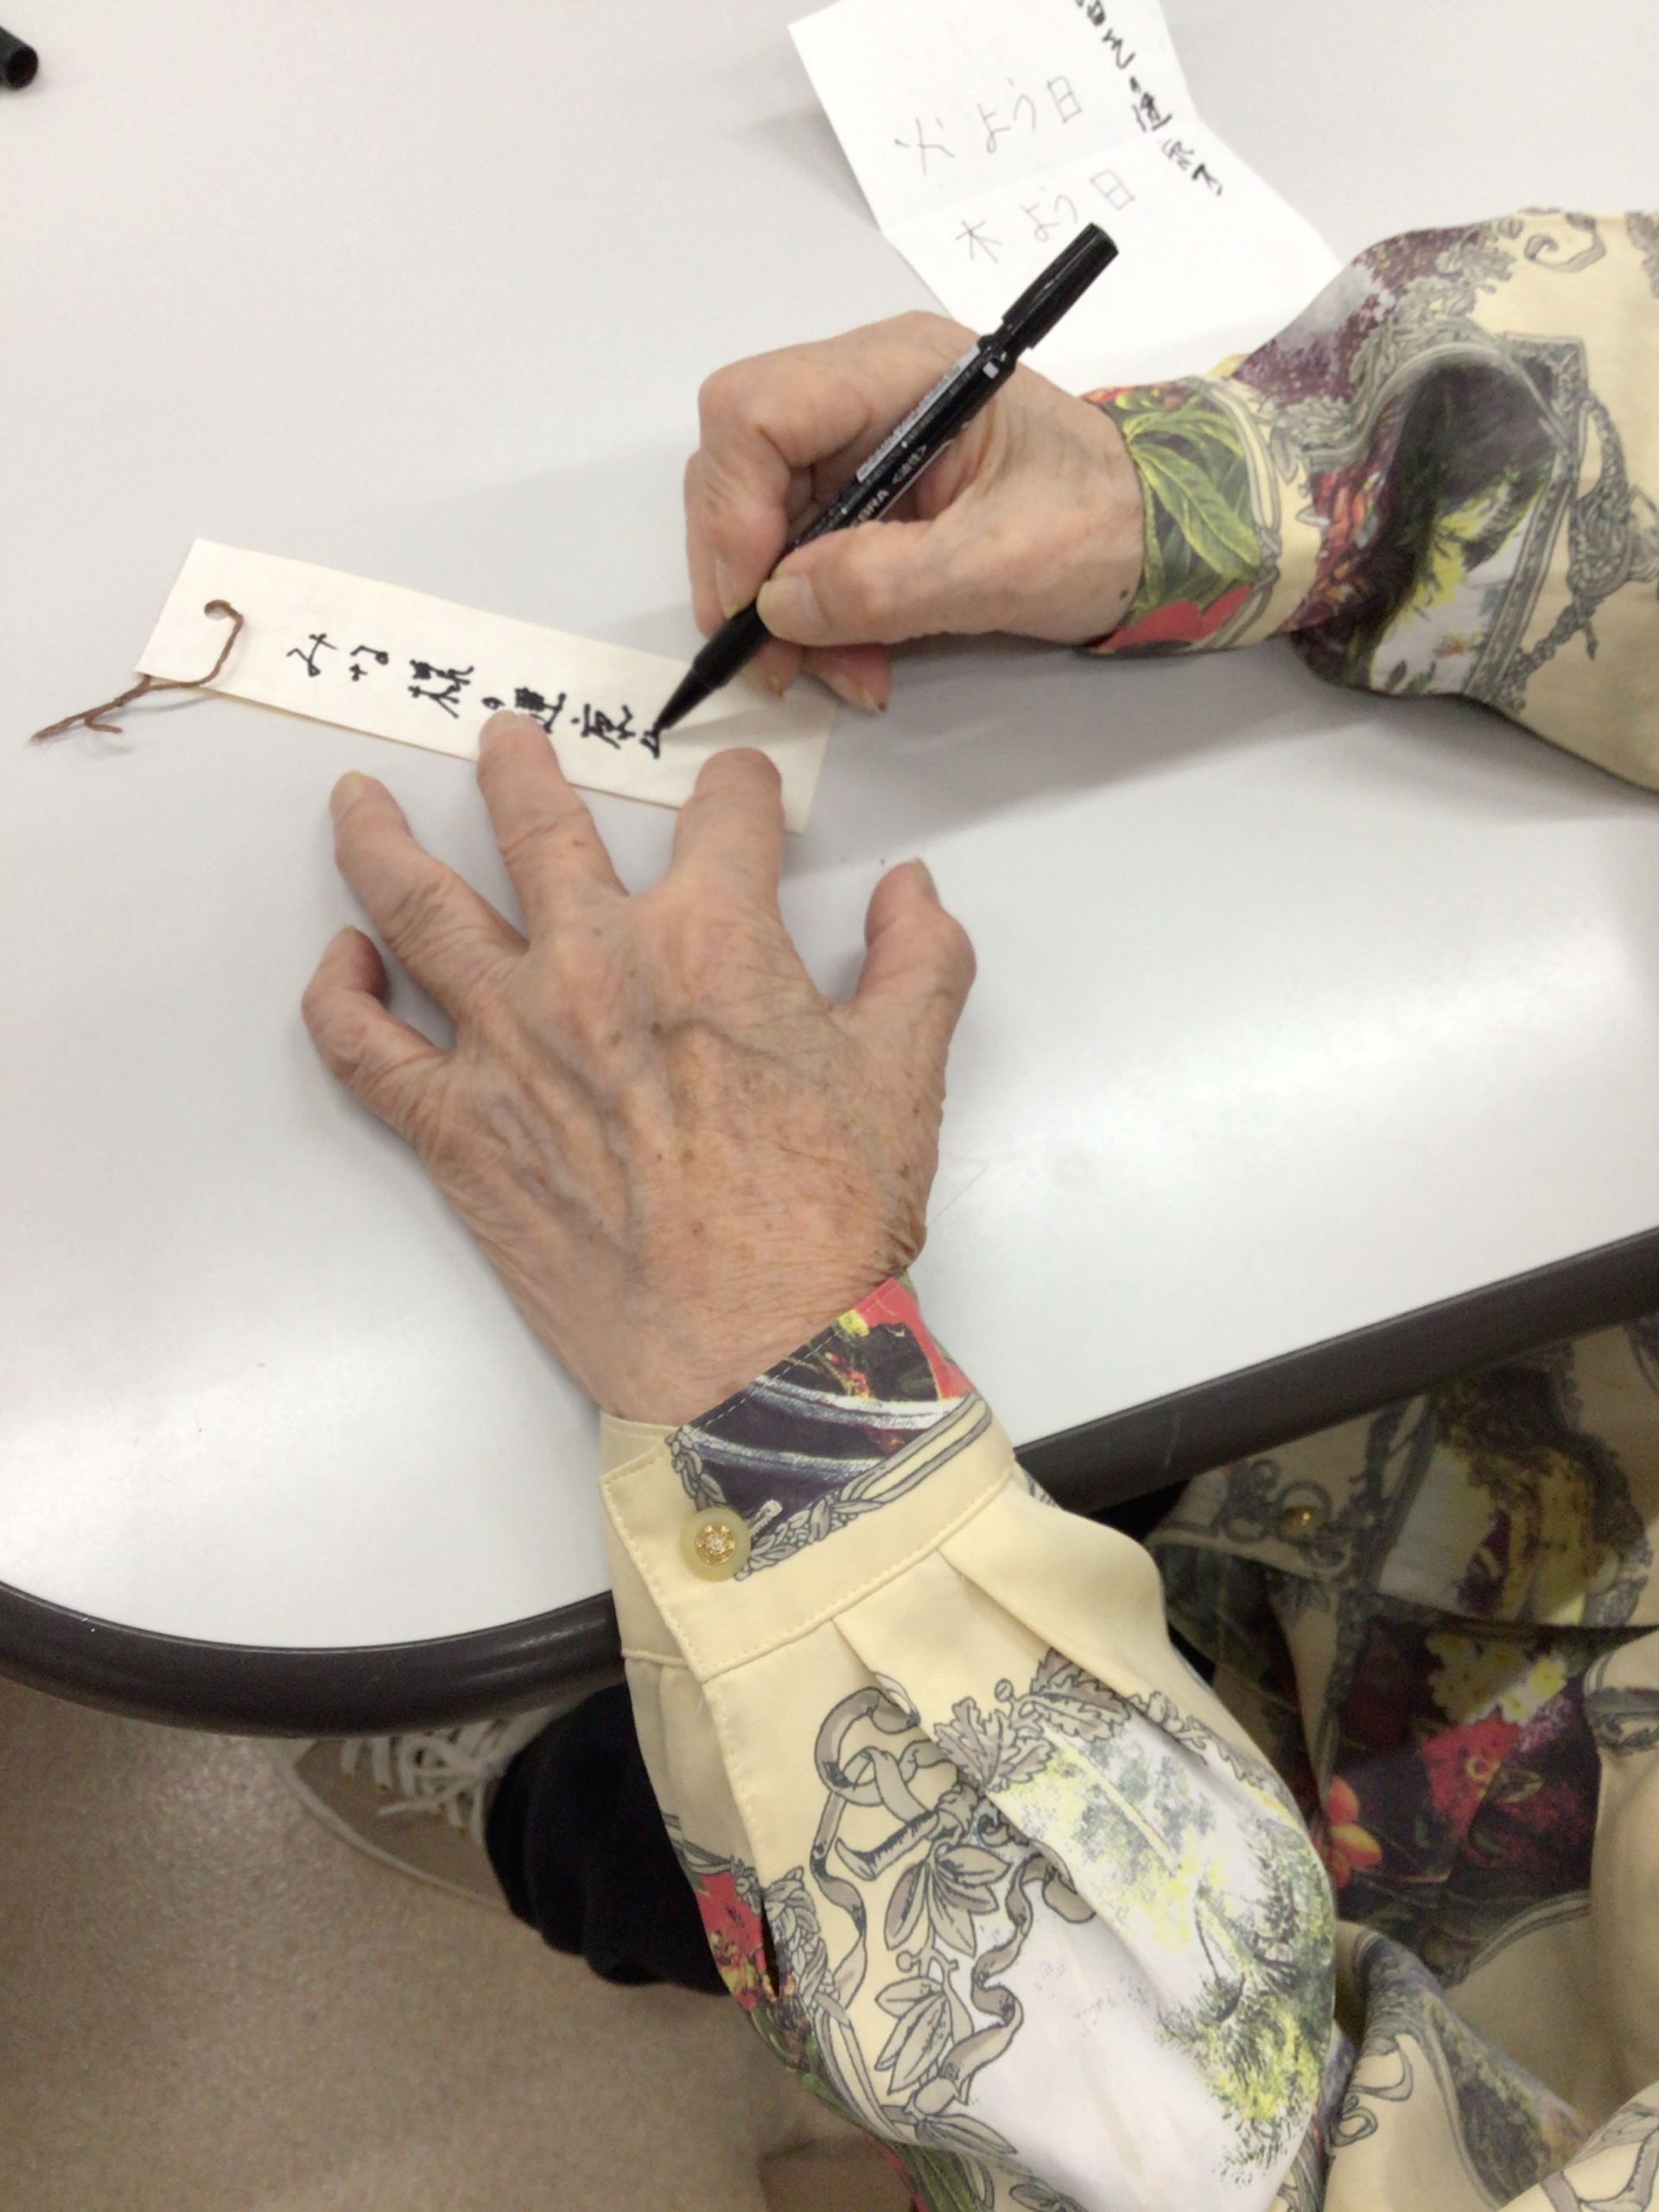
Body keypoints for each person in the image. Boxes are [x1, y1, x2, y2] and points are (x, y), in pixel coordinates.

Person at [275, 210, 1659, 2211]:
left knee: (622, 1813)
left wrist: (776, 1381)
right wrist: (1226, 490)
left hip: (1425, 1939)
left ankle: (623, 1855)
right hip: (1500, 1408)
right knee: (1085, 1456)